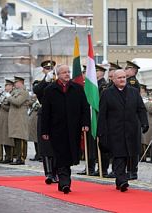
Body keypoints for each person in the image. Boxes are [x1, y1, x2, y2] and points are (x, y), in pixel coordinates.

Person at [41, 64, 90, 194]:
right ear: (58, 75)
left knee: (69, 155)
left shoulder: (77, 88)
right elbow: (45, 112)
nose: (67, 74)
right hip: (56, 129)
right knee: (60, 154)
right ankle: (64, 182)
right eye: (64, 72)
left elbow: (84, 107)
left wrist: (86, 123)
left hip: (73, 128)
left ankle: (64, 180)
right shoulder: (50, 90)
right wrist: (44, 131)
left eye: (68, 72)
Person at [97, 69, 149, 192]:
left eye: (124, 77)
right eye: (119, 78)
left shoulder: (134, 92)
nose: (122, 80)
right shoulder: (107, 93)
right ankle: (122, 180)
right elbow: (102, 114)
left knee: (127, 155)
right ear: (113, 80)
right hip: (115, 130)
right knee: (119, 155)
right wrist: (101, 131)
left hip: (131, 129)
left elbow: (141, 109)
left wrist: (144, 123)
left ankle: (120, 178)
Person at [33, 60, 58, 184]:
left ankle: (57, 173)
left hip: (58, 116)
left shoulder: (59, 82)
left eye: (51, 69)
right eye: (47, 69)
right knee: (46, 145)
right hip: (45, 116)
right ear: (43, 70)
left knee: (57, 146)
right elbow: (36, 90)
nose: (49, 70)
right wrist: (46, 80)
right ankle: (49, 173)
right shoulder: (40, 81)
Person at [124, 60, 141, 180]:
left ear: (134, 71)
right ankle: (128, 169)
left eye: (128, 69)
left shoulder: (133, 82)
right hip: (126, 117)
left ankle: (132, 170)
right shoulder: (126, 81)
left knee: (133, 146)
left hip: (132, 116)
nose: (126, 70)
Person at [7, 76, 29, 165]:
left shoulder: (24, 92)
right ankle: (17, 157)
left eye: (16, 82)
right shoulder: (15, 92)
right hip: (15, 118)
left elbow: (18, 102)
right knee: (16, 138)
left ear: (21, 82)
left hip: (20, 117)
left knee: (21, 138)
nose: (14, 84)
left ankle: (21, 158)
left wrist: (9, 97)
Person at [0, 79, 15, 163]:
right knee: (3, 138)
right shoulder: (6, 95)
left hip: (8, 118)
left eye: (8, 86)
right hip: (2, 119)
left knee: (8, 139)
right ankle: (6, 156)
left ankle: (10, 156)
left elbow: (10, 108)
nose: (6, 87)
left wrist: (1, 103)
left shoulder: (12, 95)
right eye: (5, 86)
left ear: (12, 86)